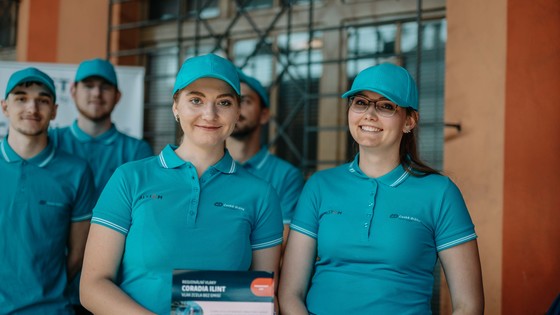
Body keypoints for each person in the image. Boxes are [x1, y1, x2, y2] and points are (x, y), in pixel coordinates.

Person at [80, 53, 283, 315]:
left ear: (237, 111)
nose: (209, 114)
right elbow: (93, 286)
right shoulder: (129, 178)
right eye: (196, 100)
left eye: (223, 102)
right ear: (176, 107)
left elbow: (263, 296)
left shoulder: (260, 194)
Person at [279, 63, 484, 314]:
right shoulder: (320, 186)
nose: (369, 115)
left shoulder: (440, 193)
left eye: (386, 106)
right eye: (361, 102)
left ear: (410, 121)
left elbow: (468, 305)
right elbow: (291, 294)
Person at [50, 58, 153, 314]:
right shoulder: (52, 141)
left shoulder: (136, 150)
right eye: (89, 85)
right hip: (53, 288)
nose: (96, 93)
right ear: (73, 91)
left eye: (105, 87)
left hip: (115, 290)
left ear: (117, 96)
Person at [0, 68, 95, 314]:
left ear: (54, 110)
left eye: (42, 100)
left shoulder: (77, 171)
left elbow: (78, 253)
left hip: (51, 309)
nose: (32, 108)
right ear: (4, 106)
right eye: (21, 98)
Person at [226, 69, 304, 242]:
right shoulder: (205, 167)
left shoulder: (286, 175)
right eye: (229, 102)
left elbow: (281, 242)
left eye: (245, 101)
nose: (237, 109)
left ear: (264, 115)